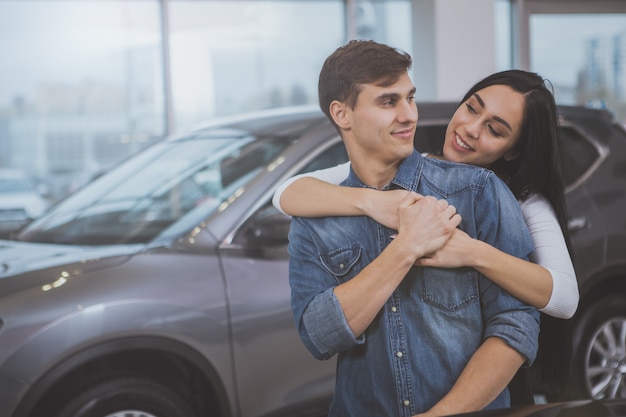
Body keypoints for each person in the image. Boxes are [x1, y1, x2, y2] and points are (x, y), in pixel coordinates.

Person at [274, 69, 579, 401]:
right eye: (472, 108)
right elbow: (287, 193)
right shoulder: (404, 173)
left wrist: (471, 252)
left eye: (494, 129)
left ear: (513, 151)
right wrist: (379, 202)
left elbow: (563, 298)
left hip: (493, 384)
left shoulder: (519, 199)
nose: (471, 129)